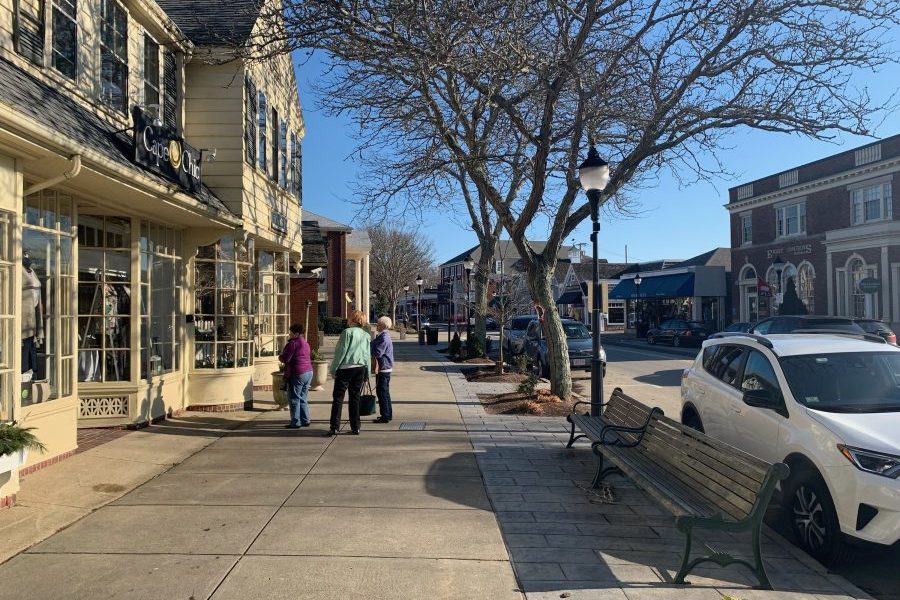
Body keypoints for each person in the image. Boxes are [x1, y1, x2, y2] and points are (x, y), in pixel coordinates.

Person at [327, 310, 372, 436]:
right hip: (360, 367)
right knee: (355, 398)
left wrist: (334, 368)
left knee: (338, 397)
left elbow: (340, 352)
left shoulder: (347, 332)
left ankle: (334, 426)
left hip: (346, 367)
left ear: (352, 319)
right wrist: (367, 372)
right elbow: (367, 354)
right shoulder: (366, 335)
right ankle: (356, 426)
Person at [279, 323, 313, 428]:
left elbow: (286, 358)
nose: (289, 334)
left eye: (291, 332)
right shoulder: (306, 343)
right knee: (302, 397)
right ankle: (305, 420)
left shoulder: (293, 343)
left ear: (296, 333)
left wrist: (280, 356)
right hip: (309, 372)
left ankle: (295, 422)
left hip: (297, 372)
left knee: (294, 398)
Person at [371, 316, 395, 423]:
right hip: (385, 368)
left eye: (378, 324)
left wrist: (371, 345)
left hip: (383, 368)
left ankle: (385, 415)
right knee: (385, 392)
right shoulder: (383, 336)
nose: (376, 325)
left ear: (383, 326)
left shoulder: (384, 337)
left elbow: (378, 352)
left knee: (382, 392)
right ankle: (388, 414)